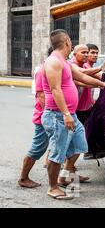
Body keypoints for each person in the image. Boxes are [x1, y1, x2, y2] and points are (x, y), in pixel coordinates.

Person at [42, 29, 105, 200]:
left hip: (70, 114)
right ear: (66, 41)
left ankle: (65, 175)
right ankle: (53, 187)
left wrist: (101, 84)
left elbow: (81, 76)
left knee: (80, 145)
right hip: (58, 115)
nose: (71, 43)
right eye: (71, 40)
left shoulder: (64, 62)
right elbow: (55, 89)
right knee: (57, 152)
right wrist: (65, 113)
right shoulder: (53, 62)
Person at [18, 47, 53, 188]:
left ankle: (62, 176)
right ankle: (23, 178)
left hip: (52, 115)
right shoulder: (42, 69)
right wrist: (49, 113)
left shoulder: (53, 67)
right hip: (44, 116)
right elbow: (41, 95)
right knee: (38, 147)